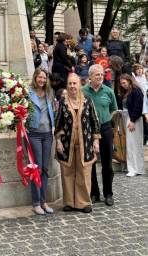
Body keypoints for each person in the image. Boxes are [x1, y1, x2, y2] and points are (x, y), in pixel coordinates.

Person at [55, 73, 100, 213]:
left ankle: (84, 202)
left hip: (85, 144)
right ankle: (69, 202)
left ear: (79, 85)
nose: (72, 86)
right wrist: (58, 141)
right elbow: (58, 123)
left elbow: (94, 121)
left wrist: (96, 140)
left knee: (84, 173)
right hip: (66, 144)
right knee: (67, 173)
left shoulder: (87, 100)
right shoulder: (63, 102)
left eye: (75, 83)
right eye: (70, 84)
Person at [83, 64, 118, 206]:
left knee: (107, 163)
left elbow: (114, 110)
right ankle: (94, 193)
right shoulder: (83, 91)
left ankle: (108, 193)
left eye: (102, 75)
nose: (100, 77)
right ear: (90, 76)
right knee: (91, 163)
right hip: (89, 130)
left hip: (105, 128)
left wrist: (106, 120)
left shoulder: (109, 91)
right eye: (97, 74)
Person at [28, 68, 55, 215]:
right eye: (40, 77)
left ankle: (44, 201)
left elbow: (53, 111)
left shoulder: (49, 93)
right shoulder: (28, 92)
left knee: (45, 168)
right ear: (35, 77)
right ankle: (36, 202)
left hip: (47, 134)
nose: (42, 80)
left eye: (44, 78)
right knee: (36, 169)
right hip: (34, 134)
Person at [119, 74, 145, 176]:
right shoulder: (129, 91)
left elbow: (138, 106)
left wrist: (132, 120)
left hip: (134, 119)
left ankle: (134, 169)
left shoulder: (136, 91)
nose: (122, 85)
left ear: (129, 81)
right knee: (133, 144)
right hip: (131, 118)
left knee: (133, 144)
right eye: (121, 83)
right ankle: (137, 168)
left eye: (124, 83)